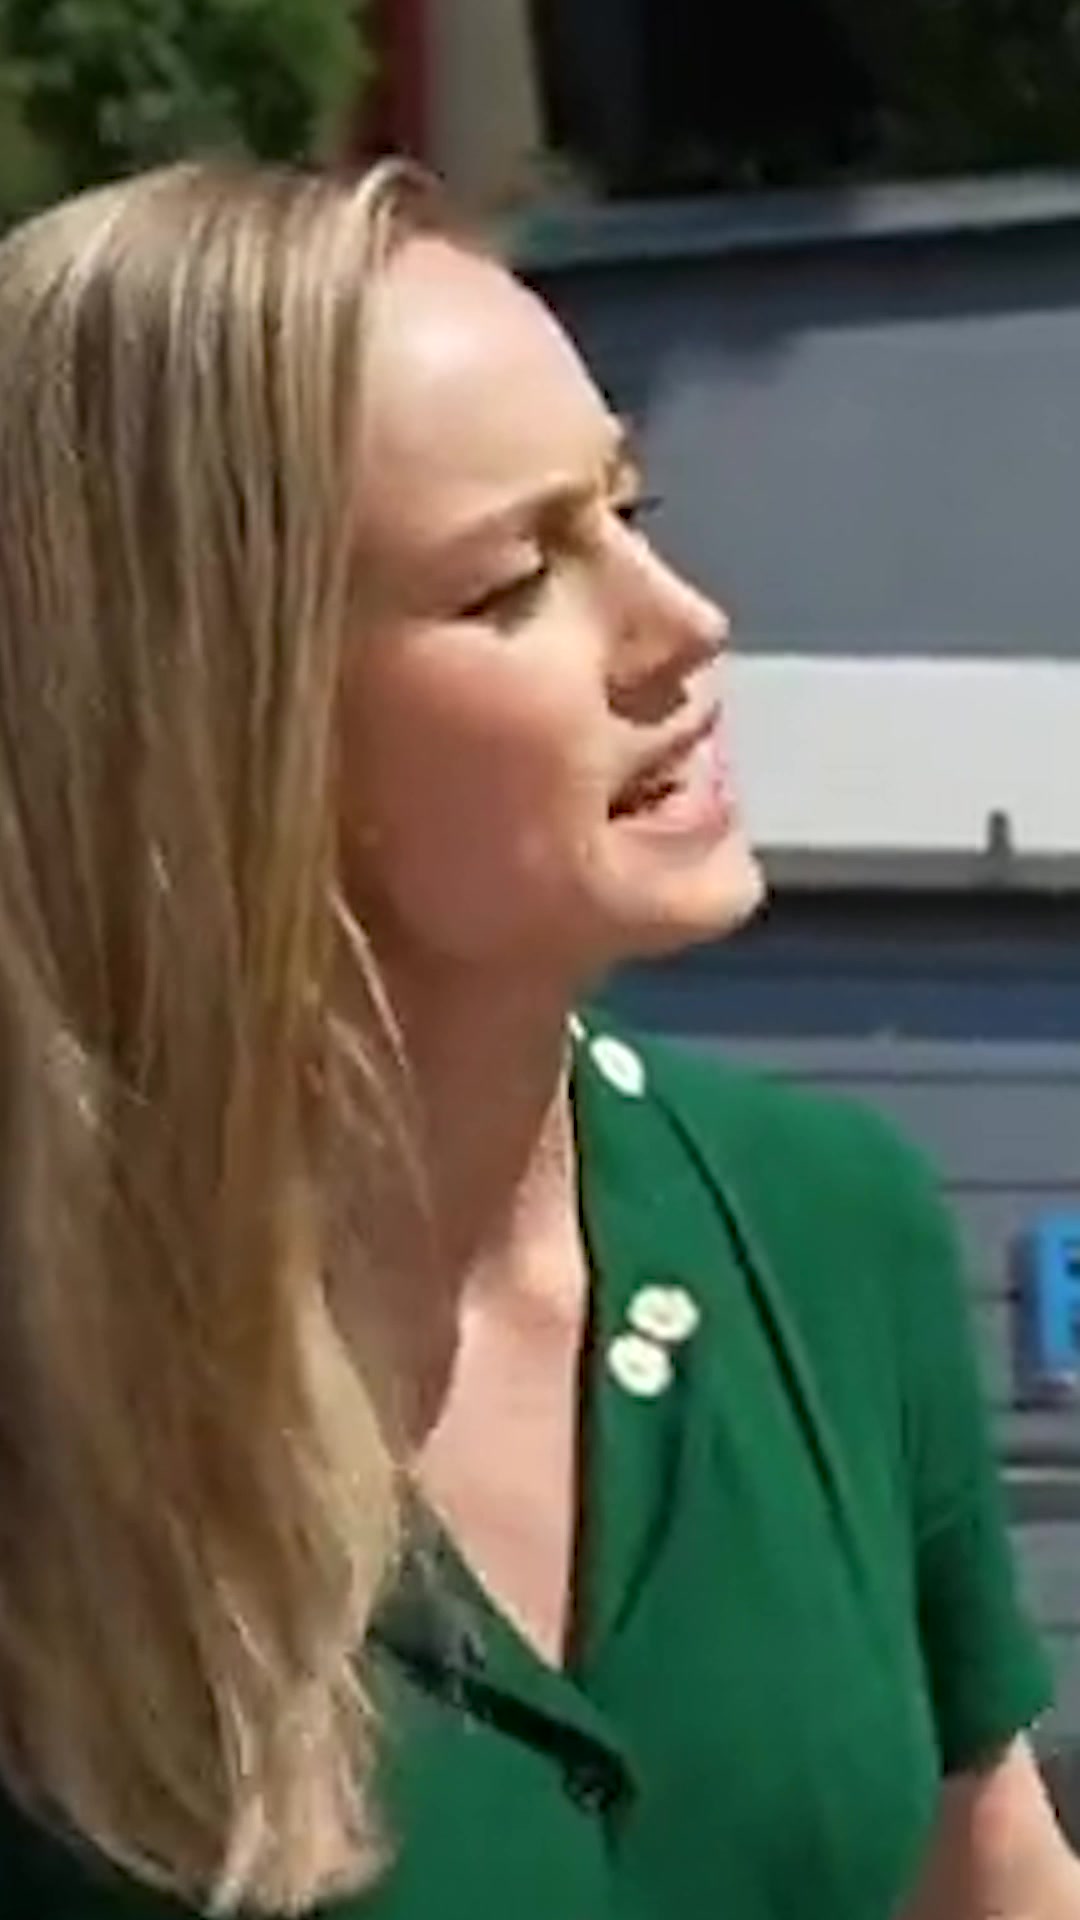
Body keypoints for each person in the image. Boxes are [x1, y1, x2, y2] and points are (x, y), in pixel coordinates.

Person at [0, 158, 1074, 1920]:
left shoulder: (827, 1225)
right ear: (226, 721)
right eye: (517, 580)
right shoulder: (47, 1385)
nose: (683, 622)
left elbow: (993, 1879)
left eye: (628, 506)